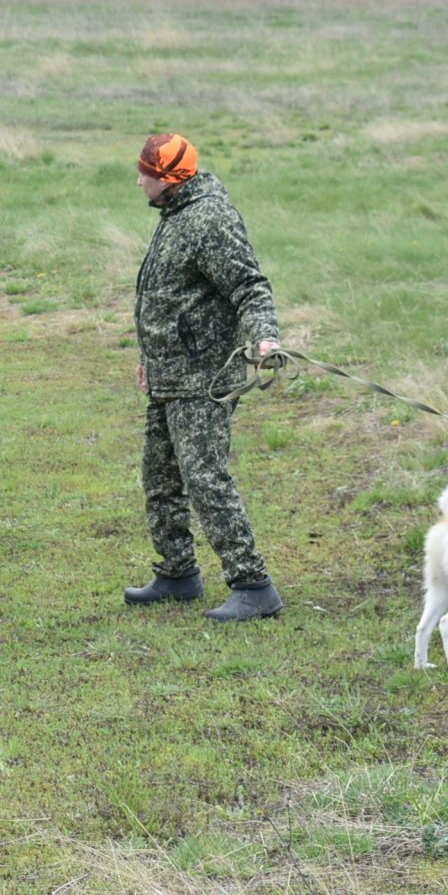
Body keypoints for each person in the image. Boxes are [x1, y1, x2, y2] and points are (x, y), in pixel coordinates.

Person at [124, 133, 285, 622]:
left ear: (168, 178)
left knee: (205, 479)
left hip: (205, 379)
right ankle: (178, 574)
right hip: (168, 375)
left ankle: (253, 586)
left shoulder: (208, 219)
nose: (139, 180)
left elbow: (249, 287)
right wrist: (152, 359)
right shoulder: (177, 213)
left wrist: (265, 338)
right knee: (161, 477)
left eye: (145, 173)